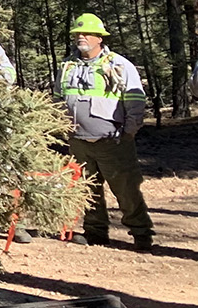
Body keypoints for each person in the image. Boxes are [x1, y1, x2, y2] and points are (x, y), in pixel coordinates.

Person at [58, 13, 153, 251]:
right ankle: (95, 232)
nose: (81, 37)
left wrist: (130, 130)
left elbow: (135, 99)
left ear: (99, 37)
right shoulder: (67, 66)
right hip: (78, 141)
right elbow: (58, 99)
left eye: (87, 33)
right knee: (86, 190)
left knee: (126, 189)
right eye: (77, 34)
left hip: (112, 141)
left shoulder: (119, 65)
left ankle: (141, 234)